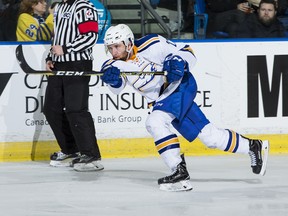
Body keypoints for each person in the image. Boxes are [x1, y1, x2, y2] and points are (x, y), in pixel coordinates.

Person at [100, 24, 269, 191]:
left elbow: (188, 52)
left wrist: (178, 62)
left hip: (180, 86)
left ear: (129, 43)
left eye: (117, 46)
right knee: (209, 137)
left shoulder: (152, 43)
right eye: (110, 48)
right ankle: (253, 146)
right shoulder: (113, 65)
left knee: (155, 121)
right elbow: (117, 88)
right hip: (166, 99)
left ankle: (178, 169)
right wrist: (111, 80)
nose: (114, 52)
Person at [44, 0, 103, 172]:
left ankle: (91, 154)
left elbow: (91, 37)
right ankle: (70, 148)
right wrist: (50, 56)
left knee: (76, 109)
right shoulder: (60, 7)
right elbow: (58, 36)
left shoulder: (84, 6)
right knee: (51, 108)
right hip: (59, 64)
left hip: (78, 63)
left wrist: (66, 48)